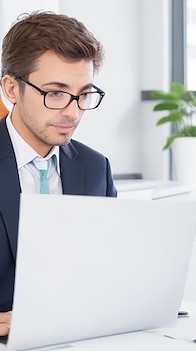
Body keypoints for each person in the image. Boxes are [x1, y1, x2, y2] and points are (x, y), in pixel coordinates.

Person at [0, 11, 117, 335]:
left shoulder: (96, 168)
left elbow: (110, 268)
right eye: (55, 93)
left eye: (83, 94)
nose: (73, 110)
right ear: (11, 88)